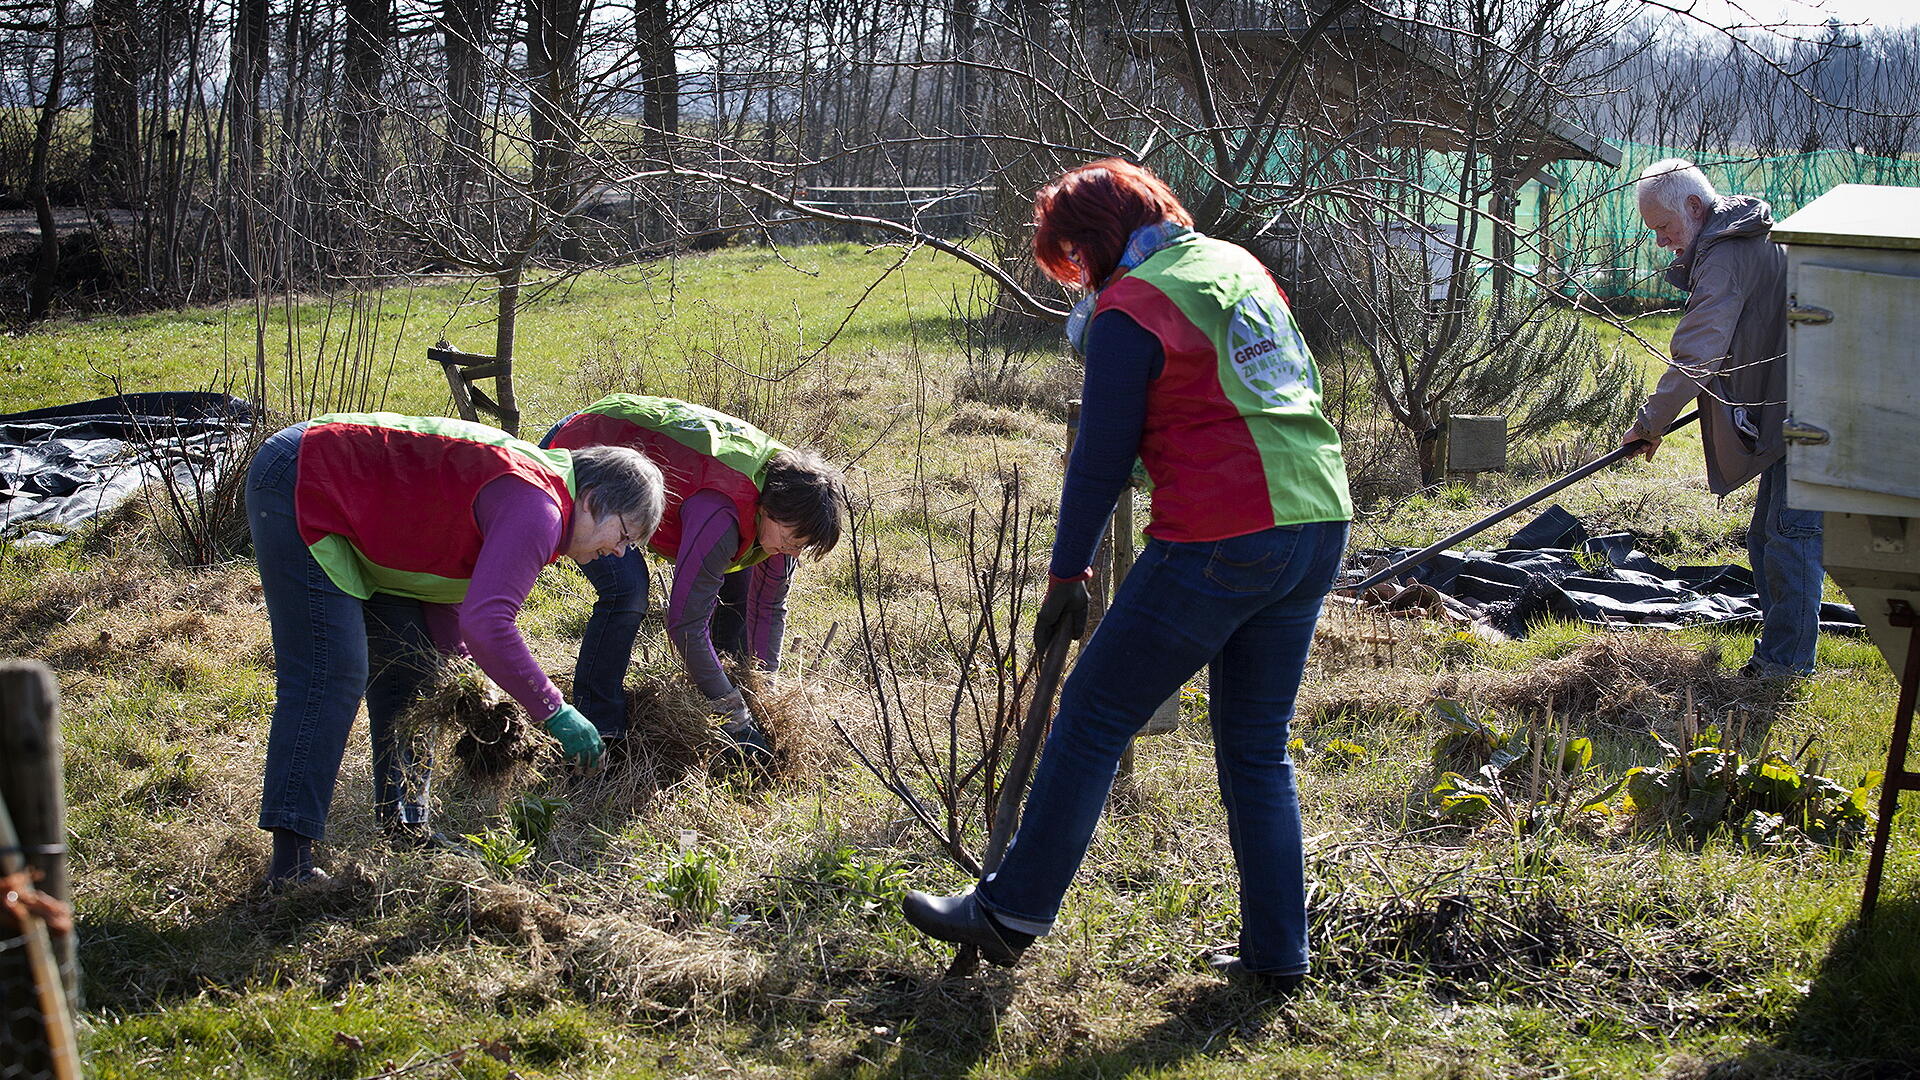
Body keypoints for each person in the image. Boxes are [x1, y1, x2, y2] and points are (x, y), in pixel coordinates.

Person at [900, 159, 1352, 990]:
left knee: (1095, 712)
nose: (1072, 280)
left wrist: (1065, 574)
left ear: (1087, 245)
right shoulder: (1235, 266)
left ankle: (1009, 912)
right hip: (1318, 518)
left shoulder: (1129, 309)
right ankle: (1277, 953)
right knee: (1257, 749)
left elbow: (1098, 462)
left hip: (1226, 533)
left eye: (1067, 262)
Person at [248, 411, 664, 886]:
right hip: (308, 473)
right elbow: (488, 622)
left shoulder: (542, 501)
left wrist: (472, 689)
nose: (618, 552)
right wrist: (554, 710)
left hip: (371, 518)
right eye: (625, 535)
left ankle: (405, 824)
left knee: (417, 670)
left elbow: (450, 599)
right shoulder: (539, 507)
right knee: (332, 670)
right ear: (592, 500)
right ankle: (291, 863)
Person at [542, 394, 846, 762]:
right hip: (584, 454)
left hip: (641, 465)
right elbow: (685, 623)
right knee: (627, 590)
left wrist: (765, 689)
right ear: (768, 510)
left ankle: (714, 682)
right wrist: (733, 714)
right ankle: (601, 726)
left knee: (739, 582)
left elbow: (768, 605)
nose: (794, 552)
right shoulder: (723, 511)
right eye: (793, 540)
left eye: (804, 545)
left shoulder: (792, 510)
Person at [1622, 158, 1819, 679]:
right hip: (1790, 407)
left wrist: (1651, 421)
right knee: (1768, 537)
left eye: (1663, 228)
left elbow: (1699, 353)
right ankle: (1781, 653)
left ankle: (1787, 665)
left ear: (1693, 207)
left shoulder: (1726, 254)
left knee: (1791, 538)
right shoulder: (1741, 239)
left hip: (1810, 412)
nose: (1662, 242)